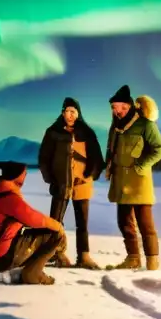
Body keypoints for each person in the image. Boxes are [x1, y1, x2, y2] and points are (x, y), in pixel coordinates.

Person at [0, 162, 67, 285]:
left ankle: (32, 268)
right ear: (16, 174)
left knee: (38, 231)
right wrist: (59, 227)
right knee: (54, 234)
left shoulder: (0, 193)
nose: (26, 174)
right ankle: (33, 273)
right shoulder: (9, 198)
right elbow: (34, 218)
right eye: (24, 172)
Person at [104, 84, 161, 271]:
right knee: (124, 222)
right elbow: (110, 148)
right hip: (121, 181)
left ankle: (153, 262)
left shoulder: (146, 125)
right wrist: (108, 166)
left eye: (122, 107)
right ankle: (133, 258)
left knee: (145, 224)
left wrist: (141, 165)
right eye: (115, 107)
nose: (118, 111)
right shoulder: (115, 127)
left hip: (139, 182)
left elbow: (159, 149)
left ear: (130, 106)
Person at [38, 96, 104, 269]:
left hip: (82, 184)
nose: (69, 114)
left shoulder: (87, 133)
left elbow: (97, 159)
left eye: (72, 111)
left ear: (78, 113)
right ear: (62, 113)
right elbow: (44, 158)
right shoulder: (53, 132)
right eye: (66, 111)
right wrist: (50, 178)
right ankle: (54, 254)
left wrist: (90, 175)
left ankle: (84, 256)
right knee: (55, 222)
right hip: (60, 184)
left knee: (82, 223)